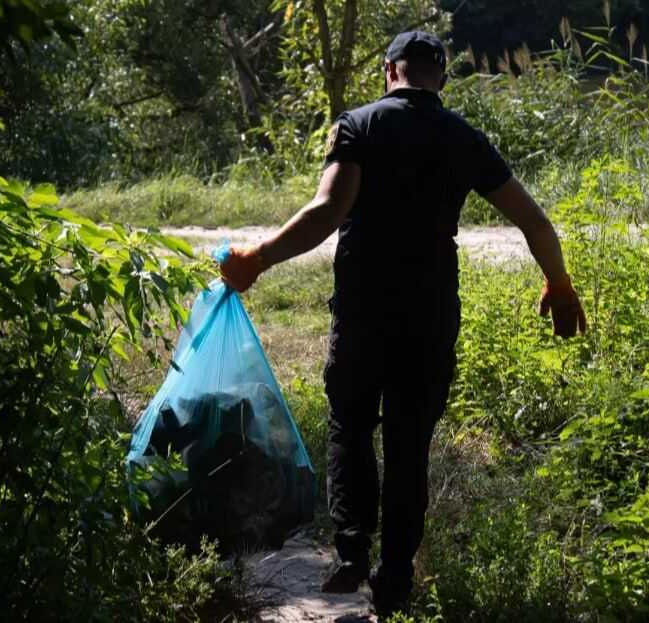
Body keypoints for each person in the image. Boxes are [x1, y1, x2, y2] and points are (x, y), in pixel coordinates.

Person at [220, 30, 587, 616]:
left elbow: (327, 211)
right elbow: (534, 221)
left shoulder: (359, 125)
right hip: (430, 312)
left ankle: (350, 554)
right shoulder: (462, 136)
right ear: (439, 77)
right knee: (410, 442)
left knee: (351, 423)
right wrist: (560, 285)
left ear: (389, 70)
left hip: (365, 309)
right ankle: (394, 582)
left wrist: (257, 260)